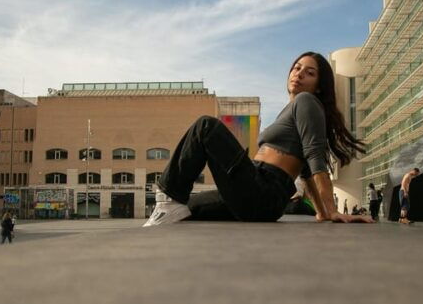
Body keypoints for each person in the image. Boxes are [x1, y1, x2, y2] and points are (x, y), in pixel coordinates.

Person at [143, 52, 372, 226]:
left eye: (309, 73)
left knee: (206, 127)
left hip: (264, 189)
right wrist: (321, 212)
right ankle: (171, 205)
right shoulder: (291, 110)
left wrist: (331, 210)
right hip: (258, 196)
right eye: (297, 68)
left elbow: (314, 155)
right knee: (187, 208)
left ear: (319, 87)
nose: (299, 73)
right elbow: (304, 171)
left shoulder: (306, 101)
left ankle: (167, 197)